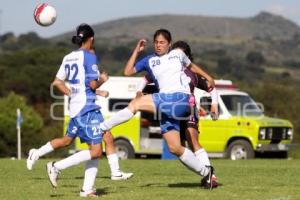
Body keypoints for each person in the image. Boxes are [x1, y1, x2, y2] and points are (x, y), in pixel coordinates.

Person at [98, 29, 216, 189]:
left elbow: (192, 66)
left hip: (179, 99)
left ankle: (101, 128)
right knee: (175, 148)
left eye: (162, 42)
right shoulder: (149, 60)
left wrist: (208, 77)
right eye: (156, 42)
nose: (158, 45)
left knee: (136, 103)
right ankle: (206, 173)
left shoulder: (177, 54)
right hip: (168, 105)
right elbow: (127, 71)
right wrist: (136, 51)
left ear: (169, 44)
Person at [26, 24, 129, 197]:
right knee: (96, 150)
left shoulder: (68, 57)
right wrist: (103, 79)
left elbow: (58, 82)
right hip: (87, 109)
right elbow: (91, 84)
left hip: (77, 107)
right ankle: (56, 167)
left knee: (89, 143)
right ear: (92, 39)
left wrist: (71, 93)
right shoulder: (89, 57)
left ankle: (87, 189)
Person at [136, 40, 220, 188]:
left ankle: (211, 176)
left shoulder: (192, 72)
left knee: (193, 140)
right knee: (176, 148)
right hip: (170, 109)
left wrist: (214, 104)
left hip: (189, 109)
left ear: (186, 56)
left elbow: (212, 87)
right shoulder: (164, 66)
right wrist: (139, 92)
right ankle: (204, 173)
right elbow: (144, 79)